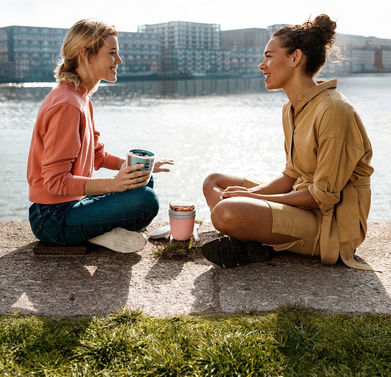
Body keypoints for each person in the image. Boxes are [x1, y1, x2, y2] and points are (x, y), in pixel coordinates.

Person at [201, 14, 373, 269]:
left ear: (295, 58)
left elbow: (321, 197)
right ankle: (252, 241)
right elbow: (291, 175)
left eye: (269, 56)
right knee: (213, 182)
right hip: (300, 202)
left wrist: (255, 200)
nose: (262, 65)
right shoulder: (291, 109)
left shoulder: (334, 111)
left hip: (329, 224)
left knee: (226, 211)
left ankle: (251, 238)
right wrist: (250, 194)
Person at [27, 19, 173, 252]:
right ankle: (96, 231)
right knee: (146, 201)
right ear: (86, 54)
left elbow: (97, 156)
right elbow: (54, 182)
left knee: (143, 178)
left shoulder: (81, 98)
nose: (119, 61)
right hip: (52, 219)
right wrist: (114, 185)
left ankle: (98, 232)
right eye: (112, 53)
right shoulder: (67, 104)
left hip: (74, 204)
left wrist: (134, 166)